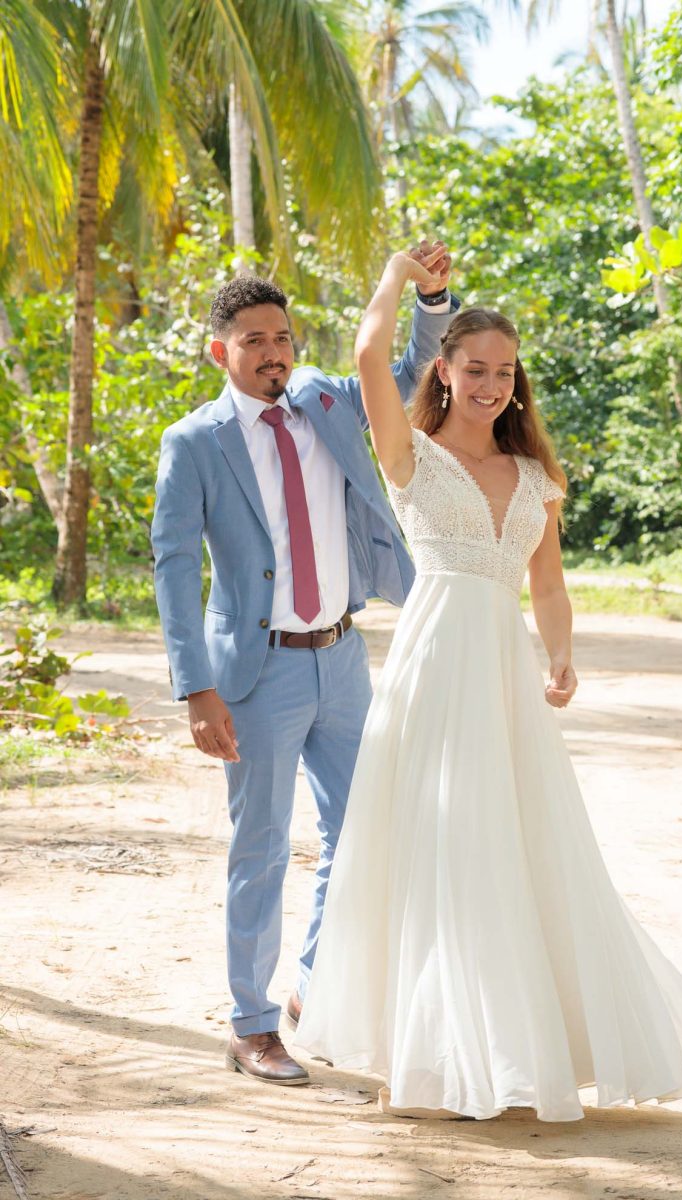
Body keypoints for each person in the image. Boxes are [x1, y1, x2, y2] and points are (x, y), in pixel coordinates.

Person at [294, 247, 682, 1121]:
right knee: (436, 847)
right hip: (433, 670)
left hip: (501, 675)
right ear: (445, 371)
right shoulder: (409, 454)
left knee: (517, 848)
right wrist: (397, 277)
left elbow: (548, 584)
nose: (491, 385)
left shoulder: (536, 477)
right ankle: (424, 1057)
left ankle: (517, 1052)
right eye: (474, 369)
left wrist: (561, 655)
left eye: (504, 371)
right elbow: (370, 353)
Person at [151, 248, 457, 1086]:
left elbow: (406, 369)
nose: (273, 352)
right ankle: (251, 1024)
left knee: (361, 835)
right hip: (257, 674)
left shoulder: (326, 399)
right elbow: (173, 568)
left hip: (343, 659)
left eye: (282, 337)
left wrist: (432, 299)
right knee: (260, 847)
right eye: (254, 340)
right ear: (220, 351)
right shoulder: (195, 442)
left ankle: (313, 989)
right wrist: (196, 689)